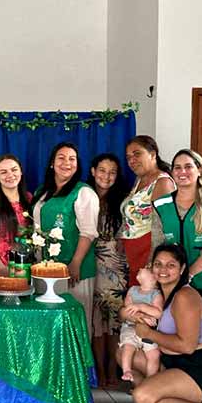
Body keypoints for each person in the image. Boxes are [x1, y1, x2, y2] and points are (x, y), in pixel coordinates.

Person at [117, 244, 202, 403]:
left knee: (142, 396)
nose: (163, 270)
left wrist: (149, 333)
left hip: (199, 369)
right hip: (173, 362)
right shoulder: (157, 292)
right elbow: (123, 312)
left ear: (182, 269)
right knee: (124, 353)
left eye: (171, 265)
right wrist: (133, 316)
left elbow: (187, 346)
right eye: (158, 264)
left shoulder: (185, 296)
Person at [151, 149, 202, 341]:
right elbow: (157, 246)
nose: (182, 172)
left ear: (200, 170)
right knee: (174, 332)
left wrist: (188, 274)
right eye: (177, 167)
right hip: (171, 281)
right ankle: (180, 371)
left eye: (188, 166)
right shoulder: (161, 205)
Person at [31, 142, 100, 334]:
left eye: (72, 159)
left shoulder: (84, 192)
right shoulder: (41, 192)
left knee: (75, 323)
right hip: (47, 270)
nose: (66, 163)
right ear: (52, 163)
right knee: (49, 324)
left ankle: (78, 364)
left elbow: (88, 232)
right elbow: (36, 230)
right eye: (61, 158)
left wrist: (75, 263)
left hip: (75, 271)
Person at [86, 153, 130, 388]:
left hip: (116, 268)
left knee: (114, 321)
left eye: (112, 172)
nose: (106, 176)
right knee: (95, 322)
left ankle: (114, 368)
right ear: (93, 171)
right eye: (102, 170)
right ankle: (99, 370)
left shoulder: (123, 201)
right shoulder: (83, 195)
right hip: (90, 265)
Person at [119, 135, 174, 286]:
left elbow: (163, 228)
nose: (132, 160)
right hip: (133, 251)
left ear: (153, 154)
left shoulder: (163, 182)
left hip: (149, 251)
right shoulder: (139, 181)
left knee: (148, 301)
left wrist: (152, 262)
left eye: (137, 154)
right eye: (128, 157)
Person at [118, 268, 164, 382]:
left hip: (148, 330)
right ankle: (127, 370)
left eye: (147, 269)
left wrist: (141, 306)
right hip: (130, 327)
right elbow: (127, 308)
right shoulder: (133, 290)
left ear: (153, 278)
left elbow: (158, 313)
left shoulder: (156, 294)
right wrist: (141, 316)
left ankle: (150, 380)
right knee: (128, 346)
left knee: (153, 354)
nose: (141, 268)